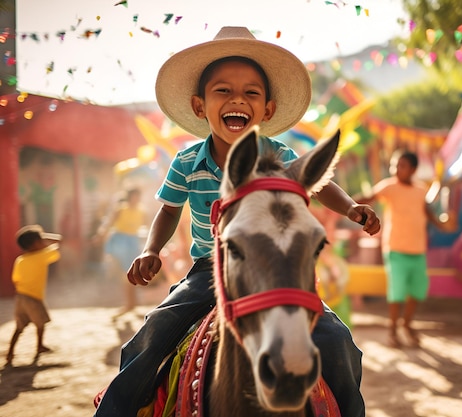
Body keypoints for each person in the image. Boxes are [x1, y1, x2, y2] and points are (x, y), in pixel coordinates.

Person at [94, 26, 380, 417]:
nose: (237, 100)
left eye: (251, 92)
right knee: (151, 336)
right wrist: (151, 249)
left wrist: (350, 208)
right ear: (200, 105)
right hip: (208, 271)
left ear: (267, 110)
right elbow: (169, 208)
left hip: (271, 269)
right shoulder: (186, 162)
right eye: (223, 91)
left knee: (338, 341)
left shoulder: (278, 156)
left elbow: (318, 184)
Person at [355, 150, 456, 348]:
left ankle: (407, 324)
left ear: (413, 169)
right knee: (397, 292)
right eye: (394, 165)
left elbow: (429, 214)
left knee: (418, 291)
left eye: (401, 165)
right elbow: (368, 197)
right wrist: (346, 203)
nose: (396, 169)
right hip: (395, 249)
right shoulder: (389, 186)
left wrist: (444, 225)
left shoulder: (420, 191)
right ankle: (393, 331)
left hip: (417, 250)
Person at [6, 225, 62, 366]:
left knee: (19, 327)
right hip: (33, 297)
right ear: (36, 243)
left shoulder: (20, 260)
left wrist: (39, 237)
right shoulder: (41, 256)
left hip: (20, 297)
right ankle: (39, 346)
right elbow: (61, 242)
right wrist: (45, 236)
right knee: (41, 323)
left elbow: (16, 279)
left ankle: (10, 352)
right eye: (41, 240)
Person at [95, 188, 149, 315]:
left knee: (134, 272)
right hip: (120, 241)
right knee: (125, 272)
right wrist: (100, 236)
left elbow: (149, 227)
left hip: (133, 242)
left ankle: (132, 302)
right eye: (133, 196)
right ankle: (129, 303)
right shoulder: (120, 209)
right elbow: (108, 224)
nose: (135, 199)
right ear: (129, 197)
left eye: (138, 196)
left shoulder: (142, 210)